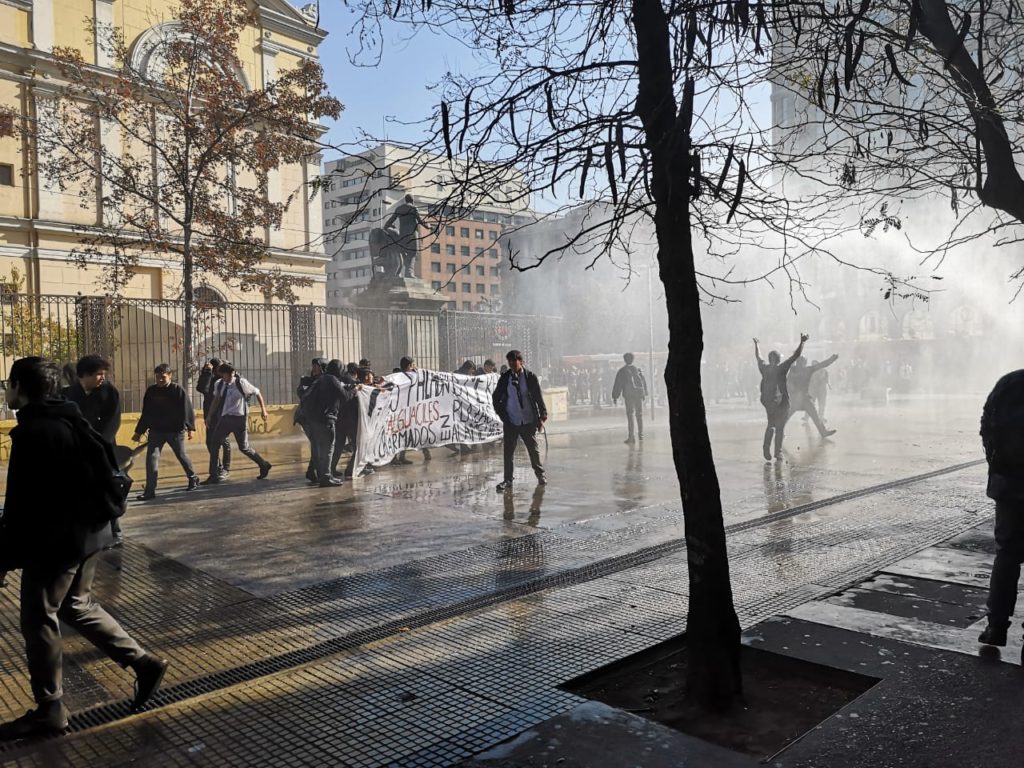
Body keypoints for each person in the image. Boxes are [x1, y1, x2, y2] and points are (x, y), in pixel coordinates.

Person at [0, 357, 168, 740]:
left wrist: (4, 558)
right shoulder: (70, 416)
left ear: (23, 388)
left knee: (38, 617)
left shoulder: (34, 431)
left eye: (10, 383)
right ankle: (142, 663)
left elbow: (23, 506)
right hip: (92, 533)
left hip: (58, 541)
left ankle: (50, 709)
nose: (7, 390)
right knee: (77, 605)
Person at [978, 370, 1024, 648]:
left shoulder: (1009, 383)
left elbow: (986, 425)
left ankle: (996, 627)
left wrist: (997, 465)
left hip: (1008, 486)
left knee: (1006, 555)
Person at [64, 355, 125, 546]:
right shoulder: (68, 394)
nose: (102, 378)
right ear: (84, 375)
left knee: (108, 490)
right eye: (98, 374)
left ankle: (115, 532)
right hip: (76, 451)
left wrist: (98, 444)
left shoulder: (109, 392)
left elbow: (112, 423)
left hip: (103, 450)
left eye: (103, 374)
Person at [132, 364, 200, 500]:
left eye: (162, 377)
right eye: (157, 377)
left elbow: (187, 410)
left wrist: (190, 429)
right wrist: (139, 431)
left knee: (181, 455)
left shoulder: (177, 390)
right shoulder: (151, 391)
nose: (159, 380)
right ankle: (150, 491)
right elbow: (146, 413)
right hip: (156, 431)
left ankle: (193, 477)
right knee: (151, 459)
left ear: (170, 376)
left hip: (175, 431)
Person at [204, 363, 271, 483]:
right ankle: (213, 476)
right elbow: (216, 400)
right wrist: (209, 416)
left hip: (239, 420)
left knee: (244, 447)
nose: (230, 376)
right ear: (221, 374)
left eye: (232, 374)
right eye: (227, 374)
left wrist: (264, 410)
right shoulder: (219, 384)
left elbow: (257, 392)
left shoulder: (241, 383)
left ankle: (263, 464)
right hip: (224, 419)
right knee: (214, 445)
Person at [493, 349, 547, 492]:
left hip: (528, 420)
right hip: (511, 420)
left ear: (521, 361)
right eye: (509, 362)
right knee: (508, 452)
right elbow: (495, 397)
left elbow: (538, 397)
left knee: (532, 449)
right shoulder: (505, 378)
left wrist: (542, 415)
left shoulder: (530, 377)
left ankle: (540, 474)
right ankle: (508, 480)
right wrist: (502, 414)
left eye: (514, 361)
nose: (512, 364)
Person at [754, 334, 807, 461]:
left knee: (771, 425)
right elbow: (796, 356)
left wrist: (756, 345)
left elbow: (758, 357)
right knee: (780, 427)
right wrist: (802, 342)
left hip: (768, 401)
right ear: (778, 360)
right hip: (781, 401)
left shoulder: (764, 368)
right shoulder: (782, 368)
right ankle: (778, 452)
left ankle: (766, 448)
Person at [786, 355, 839, 439]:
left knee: (787, 416)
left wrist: (790, 395)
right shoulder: (807, 370)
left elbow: (788, 385)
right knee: (815, 416)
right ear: (804, 362)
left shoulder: (793, 371)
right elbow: (822, 365)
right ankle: (823, 432)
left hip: (796, 399)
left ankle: (779, 432)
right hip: (804, 399)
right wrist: (831, 359)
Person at [392, 356, 431, 465]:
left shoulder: (399, 377)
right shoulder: (412, 376)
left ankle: (400, 456)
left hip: (405, 410)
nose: (415, 367)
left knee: (404, 434)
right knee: (414, 432)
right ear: (409, 366)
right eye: (413, 365)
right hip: (408, 411)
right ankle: (399, 456)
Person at [197, 357, 230, 480]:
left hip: (223, 413)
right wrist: (206, 372)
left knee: (223, 440)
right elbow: (202, 388)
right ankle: (218, 467)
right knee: (210, 442)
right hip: (210, 414)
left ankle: (225, 468)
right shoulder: (208, 376)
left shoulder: (225, 376)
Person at [295, 358, 327, 483]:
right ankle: (319, 473)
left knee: (318, 444)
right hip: (306, 417)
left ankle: (311, 471)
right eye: (313, 365)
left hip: (317, 418)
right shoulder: (308, 381)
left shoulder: (325, 380)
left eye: (316, 366)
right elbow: (303, 394)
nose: (314, 368)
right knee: (317, 444)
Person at [612, 352, 648, 444]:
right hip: (638, 395)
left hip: (629, 396)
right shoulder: (637, 369)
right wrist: (644, 394)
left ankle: (631, 436)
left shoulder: (622, 371)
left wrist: (615, 396)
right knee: (639, 415)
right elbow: (643, 382)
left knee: (630, 415)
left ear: (624, 360)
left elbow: (618, 384)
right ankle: (641, 434)